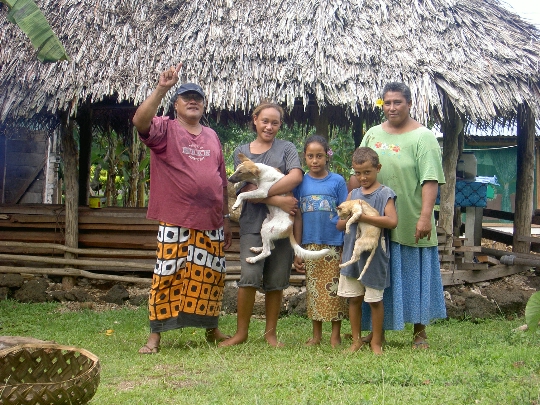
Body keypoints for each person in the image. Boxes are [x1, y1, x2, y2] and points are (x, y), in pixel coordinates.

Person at [132, 63, 232, 354]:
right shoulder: (165, 128)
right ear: (175, 104)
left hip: (211, 221)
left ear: (204, 105)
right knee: (167, 274)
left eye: (198, 98)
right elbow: (140, 121)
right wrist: (162, 87)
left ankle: (211, 330)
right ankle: (155, 337)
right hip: (176, 217)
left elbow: (222, 181)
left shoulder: (212, 136)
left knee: (211, 277)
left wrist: (224, 219)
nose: (193, 101)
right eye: (186, 97)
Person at [351, 82, 446, 349]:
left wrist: (425, 216)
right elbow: (357, 172)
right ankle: (375, 333)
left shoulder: (423, 137)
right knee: (377, 273)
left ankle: (419, 332)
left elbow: (430, 180)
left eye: (397, 102)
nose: (391, 108)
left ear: (409, 104)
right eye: (387, 103)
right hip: (375, 219)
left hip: (409, 216)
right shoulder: (372, 133)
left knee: (414, 271)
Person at [219, 102, 303, 347]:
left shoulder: (287, 148)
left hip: (281, 222)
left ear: (280, 125)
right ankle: (241, 333)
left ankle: (270, 334)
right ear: (255, 119)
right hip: (253, 222)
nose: (269, 126)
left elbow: (296, 177)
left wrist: (268, 193)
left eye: (274, 122)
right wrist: (279, 198)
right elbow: (246, 186)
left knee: (276, 279)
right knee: (249, 276)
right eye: (264, 121)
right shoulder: (242, 150)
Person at [337, 147, 397, 355]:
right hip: (352, 255)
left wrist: (363, 217)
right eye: (357, 173)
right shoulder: (353, 194)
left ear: (378, 168)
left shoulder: (385, 194)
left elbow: (392, 221)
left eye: (367, 172)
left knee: (374, 300)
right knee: (353, 299)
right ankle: (356, 340)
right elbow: (340, 222)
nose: (362, 177)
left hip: (374, 256)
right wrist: (342, 217)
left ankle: (376, 342)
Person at [292, 135, 349, 348]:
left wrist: (345, 244)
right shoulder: (301, 182)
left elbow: (345, 213)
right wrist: (298, 248)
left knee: (335, 290)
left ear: (327, 156)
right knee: (314, 290)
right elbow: (297, 216)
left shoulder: (337, 181)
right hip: (310, 244)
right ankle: (316, 335)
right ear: (304, 157)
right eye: (310, 156)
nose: (315, 161)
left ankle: (335, 334)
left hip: (334, 243)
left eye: (319, 156)